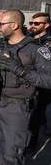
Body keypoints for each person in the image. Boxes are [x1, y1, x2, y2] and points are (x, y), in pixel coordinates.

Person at [0, 9, 51, 165]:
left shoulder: (36, 49)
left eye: (1, 24)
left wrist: (20, 70)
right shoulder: (2, 45)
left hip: (17, 107)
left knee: (12, 153)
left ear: (14, 25)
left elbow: (48, 80)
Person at [27, 12, 51, 151]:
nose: (33, 26)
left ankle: (31, 144)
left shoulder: (48, 41)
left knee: (35, 114)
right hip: (29, 80)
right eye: (32, 23)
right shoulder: (30, 38)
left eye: (37, 23)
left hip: (43, 83)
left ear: (46, 25)